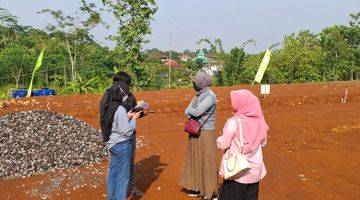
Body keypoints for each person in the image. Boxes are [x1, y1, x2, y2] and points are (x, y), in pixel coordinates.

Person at [217, 90, 268, 200]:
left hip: (238, 171)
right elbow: (263, 142)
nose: (232, 104)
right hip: (255, 170)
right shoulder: (260, 121)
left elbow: (223, 144)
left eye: (234, 101)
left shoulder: (234, 122)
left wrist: (219, 139)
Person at [99, 71, 143, 196]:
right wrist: (133, 119)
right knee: (122, 176)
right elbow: (126, 131)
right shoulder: (118, 107)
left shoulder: (109, 103)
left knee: (113, 173)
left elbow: (106, 118)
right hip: (122, 141)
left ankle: (113, 196)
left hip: (112, 140)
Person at [179, 71, 218, 200]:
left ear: (202, 83)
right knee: (195, 159)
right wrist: (191, 111)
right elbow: (188, 111)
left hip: (206, 132)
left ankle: (210, 193)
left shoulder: (210, 96)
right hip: (195, 131)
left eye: (195, 82)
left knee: (207, 161)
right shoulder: (198, 95)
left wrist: (191, 111)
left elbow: (196, 112)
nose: (193, 84)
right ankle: (198, 188)